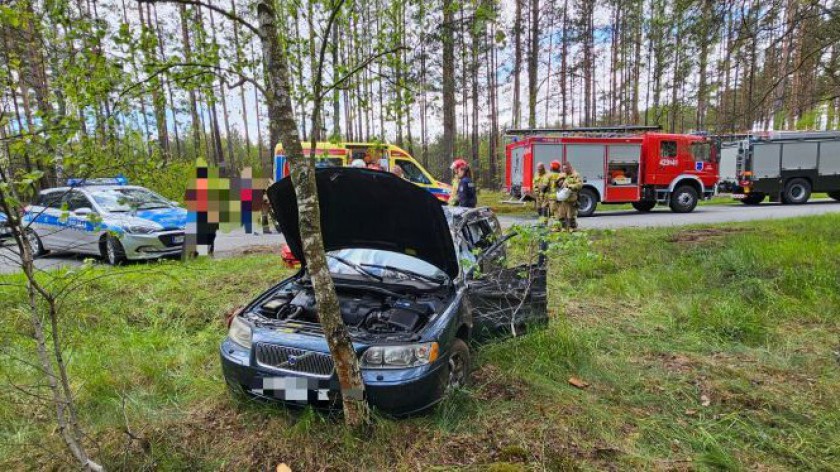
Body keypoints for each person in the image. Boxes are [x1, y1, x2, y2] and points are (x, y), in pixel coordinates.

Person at [557, 161, 583, 231]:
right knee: (561, 215)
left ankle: (573, 228)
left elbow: (579, 185)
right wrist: (559, 183)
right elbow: (557, 184)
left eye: (566, 168)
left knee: (571, 216)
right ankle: (564, 228)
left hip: (572, 199)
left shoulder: (576, 175)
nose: (565, 170)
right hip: (563, 200)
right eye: (563, 169)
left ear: (570, 167)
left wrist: (569, 186)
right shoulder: (563, 175)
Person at [546, 160, 563, 225]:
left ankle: (555, 227)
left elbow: (545, 186)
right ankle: (561, 225)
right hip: (560, 197)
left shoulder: (549, 175)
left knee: (553, 213)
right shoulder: (561, 175)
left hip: (552, 197)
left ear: (552, 167)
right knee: (559, 212)